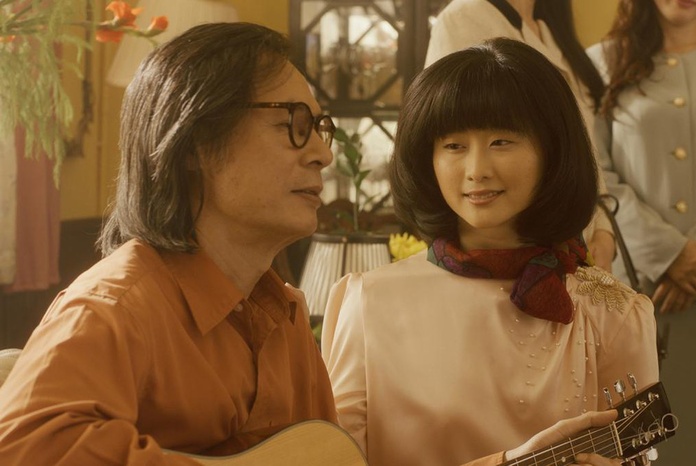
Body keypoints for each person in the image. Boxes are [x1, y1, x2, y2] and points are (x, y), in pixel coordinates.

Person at [0, 21, 627, 466]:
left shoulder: (285, 318)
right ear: (196, 142)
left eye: (321, 127)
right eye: (294, 125)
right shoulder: (114, 309)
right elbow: (24, 448)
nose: (324, 154)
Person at [322, 38, 659, 466]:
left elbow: (638, 453)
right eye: (454, 146)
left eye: (501, 141)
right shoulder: (369, 302)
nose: (477, 170)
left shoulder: (614, 313)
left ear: (552, 150)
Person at [424, 0, 616, 273]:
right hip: (512, 262)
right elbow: (445, 137)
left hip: (578, 250)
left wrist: (605, 231)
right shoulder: (463, 17)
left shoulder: (550, 29)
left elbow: (584, 146)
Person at [587, 0, 696, 463]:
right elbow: (596, 172)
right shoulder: (601, 62)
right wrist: (669, 253)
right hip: (638, 293)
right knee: (653, 446)